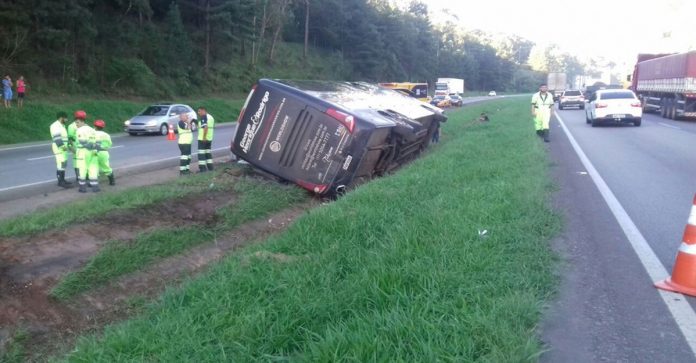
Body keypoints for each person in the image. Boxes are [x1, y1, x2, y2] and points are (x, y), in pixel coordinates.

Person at [75, 112, 99, 192]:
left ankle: (82, 188)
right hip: (94, 151)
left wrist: (88, 147)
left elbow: (82, 141)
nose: (76, 124)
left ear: (82, 121)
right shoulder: (92, 129)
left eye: (77, 122)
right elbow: (97, 141)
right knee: (93, 168)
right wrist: (93, 147)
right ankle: (95, 187)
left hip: (83, 151)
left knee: (82, 169)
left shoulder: (80, 130)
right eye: (76, 123)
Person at [50, 111, 73, 188]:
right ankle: (60, 182)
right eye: (65, 118)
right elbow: (57, 138)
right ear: (61, 118)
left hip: (63, 149)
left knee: (63, 164)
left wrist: (68, 146)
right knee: (60, 164)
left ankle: (63, 180)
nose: (67, 120)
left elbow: (65, 138)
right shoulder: (55, 125)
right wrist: (63, 147)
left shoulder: (62, 126)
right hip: (59, 148)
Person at [93, 120, 114, 185]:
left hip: (94, 152)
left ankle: (94, 183)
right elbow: (110, 144)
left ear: (95, 127)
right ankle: (112, 181)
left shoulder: (92, 133)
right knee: (106, 167)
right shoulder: (106, 135)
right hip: (104, 152)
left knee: (94, 167)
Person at [196, 106, 215, 172]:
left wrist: (204, 137)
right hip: (209, 138)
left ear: (203, 110)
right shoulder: (211, 117)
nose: (198, 113)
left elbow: (205, 127)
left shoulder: (204, 116)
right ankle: (211, 168)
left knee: (201, 154)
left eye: (199, 111)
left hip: (203, 139)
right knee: (208, 153)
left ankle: (202, 170)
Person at [67, 111, 83, 182]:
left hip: (83, 147)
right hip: (76, 147)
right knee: (77, 162)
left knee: (82, 162)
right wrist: (71, 147)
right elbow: (70, 138)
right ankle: (78, 177)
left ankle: (83, 176)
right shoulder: (71, 126)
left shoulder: (84, 125)